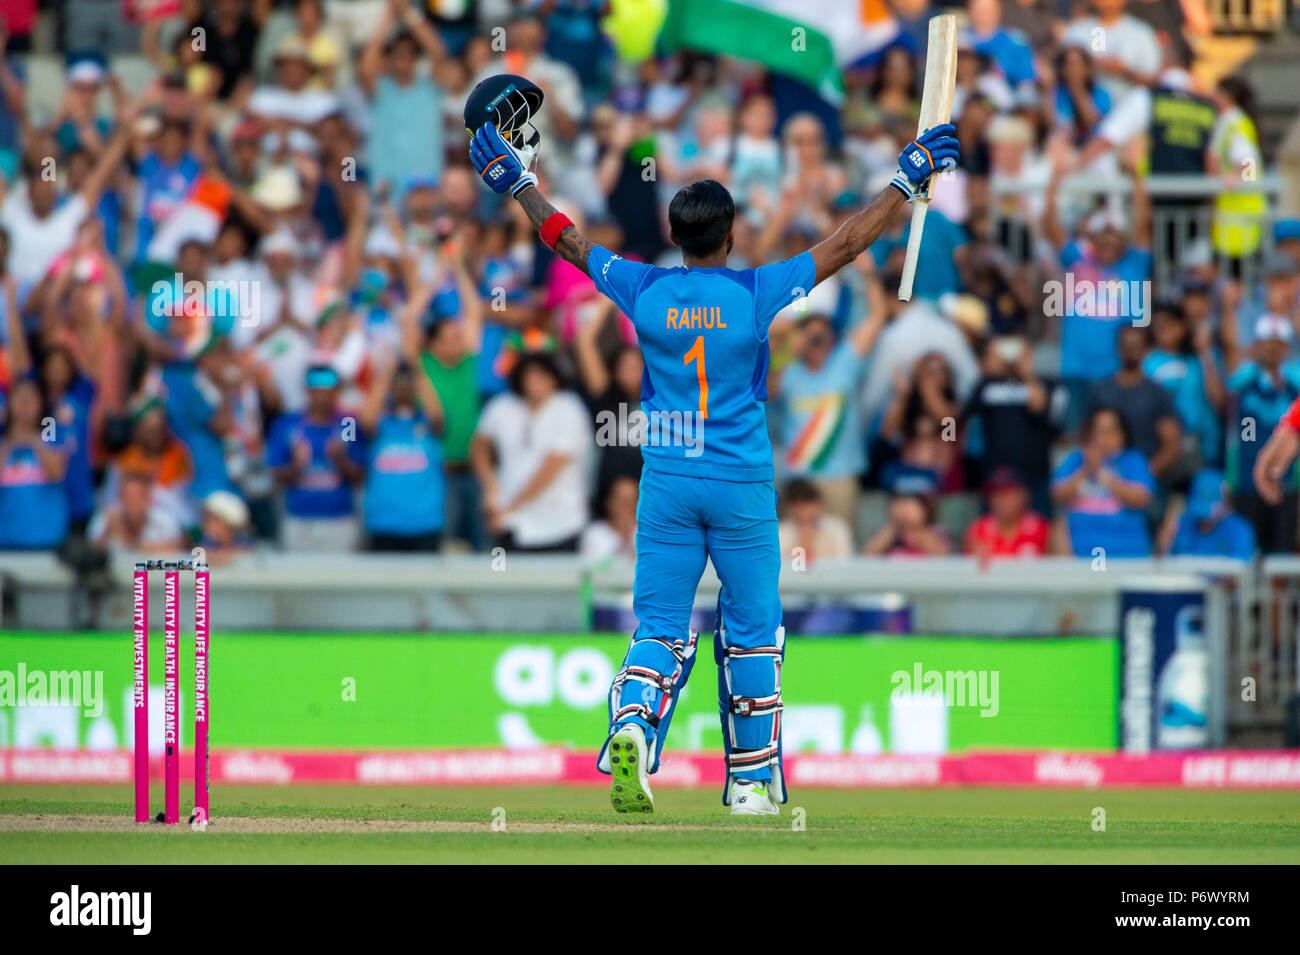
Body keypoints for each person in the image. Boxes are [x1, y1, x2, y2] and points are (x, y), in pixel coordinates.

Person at [467, 77, 959, 814]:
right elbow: (850, 242)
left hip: (665, 481)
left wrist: (519, 181)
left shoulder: (641, 288)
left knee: (660, 626)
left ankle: (632, 721)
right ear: (730, 235)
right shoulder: (757, 291)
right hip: (740, 484)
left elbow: (567, 242)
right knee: (753, 629)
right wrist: (908, 178)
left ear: (674, 236)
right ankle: (753, 782)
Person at [1052, 406, 1155, 557]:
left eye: (1110, 431)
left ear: (1122, 434)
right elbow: (1057, 496)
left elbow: (1142, 498)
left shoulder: (1133, 460)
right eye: (1099, 431)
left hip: (1125, 551)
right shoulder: (1076, 459)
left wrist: (1102, 473)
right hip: (1082, 550)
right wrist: (1086, 470)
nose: (1104, 438)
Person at [1161, 470, 1254, 559]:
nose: (1204, 520)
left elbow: (1238, 571)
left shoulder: (1239, 529)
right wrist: (1165, 539)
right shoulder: (1181, 524)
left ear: (1226, 504)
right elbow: (1163, 564)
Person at [963, 466, 1049, 558]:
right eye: (996, 494)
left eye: (1008, 492)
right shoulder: (977, 531)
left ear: (1024, 495)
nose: (1001, 500)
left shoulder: (1042, 530)